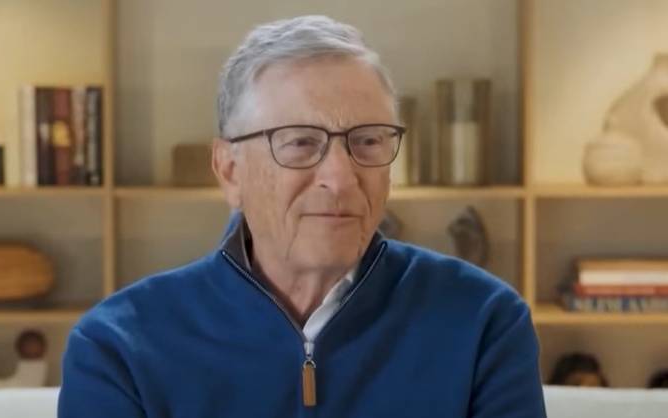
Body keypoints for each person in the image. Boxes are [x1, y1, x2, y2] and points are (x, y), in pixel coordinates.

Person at [58, 15, 547, 417]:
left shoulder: (483, 322)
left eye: (367, 141)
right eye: (299, 143)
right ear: (229, 171)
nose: (341, 177)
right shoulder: (118, 347)